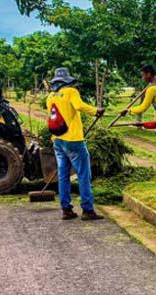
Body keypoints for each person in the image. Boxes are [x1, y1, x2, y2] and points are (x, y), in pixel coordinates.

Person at [46, 67, 105, 221]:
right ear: (67, 81)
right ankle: (87, 210)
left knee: (63, 175)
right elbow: (79, 106)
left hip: (58, 141)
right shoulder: (71, 92)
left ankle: (66, 209)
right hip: (73, 141)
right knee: (84, 174)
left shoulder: (50, 96)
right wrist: (96, 111)